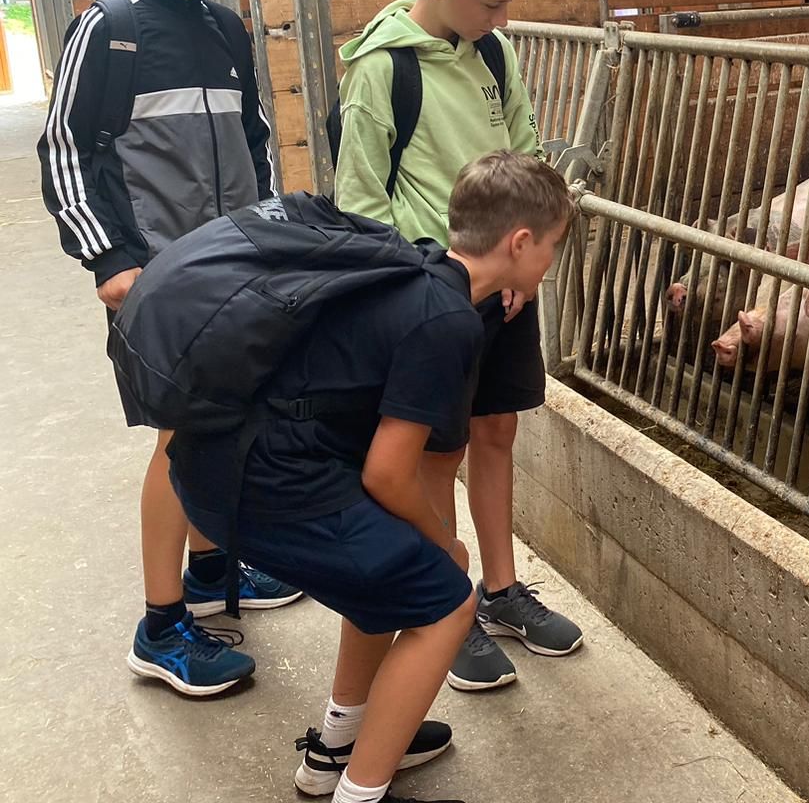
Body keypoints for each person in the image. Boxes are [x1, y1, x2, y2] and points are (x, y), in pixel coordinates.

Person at [166, 152, 573, 803]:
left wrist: (431, 541)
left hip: (216, 462)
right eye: (552, 246)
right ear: (520, 243)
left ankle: (337, 748)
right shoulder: (448, 321)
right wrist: (444, 544)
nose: (551, 262)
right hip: (267, 484)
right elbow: (388, 473)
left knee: (393, 570)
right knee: (447, 600)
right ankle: (362, 791)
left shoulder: (415, 266)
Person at [38, 0, 301, 698]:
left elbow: (257, 144)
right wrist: (112, 261)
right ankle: (160, 629)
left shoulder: (226, 29)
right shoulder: (109, 29)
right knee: (184, 436)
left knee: (227, 423)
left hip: (235, 267)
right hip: (155, 278)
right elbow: (65, 150)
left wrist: (268, 236)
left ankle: (212, 570)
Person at [335, 0, 583, 692]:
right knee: (436, 450)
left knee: (497, 429)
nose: (500, 18)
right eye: (490, 4)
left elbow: (527, 149)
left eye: (507, 5)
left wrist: (524, 258)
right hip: (436, 289)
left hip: (507, 278)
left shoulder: (494, 54)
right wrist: (429, 278)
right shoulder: (384, 70)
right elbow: (360, 200)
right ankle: (450, 603)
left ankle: (502, 589)